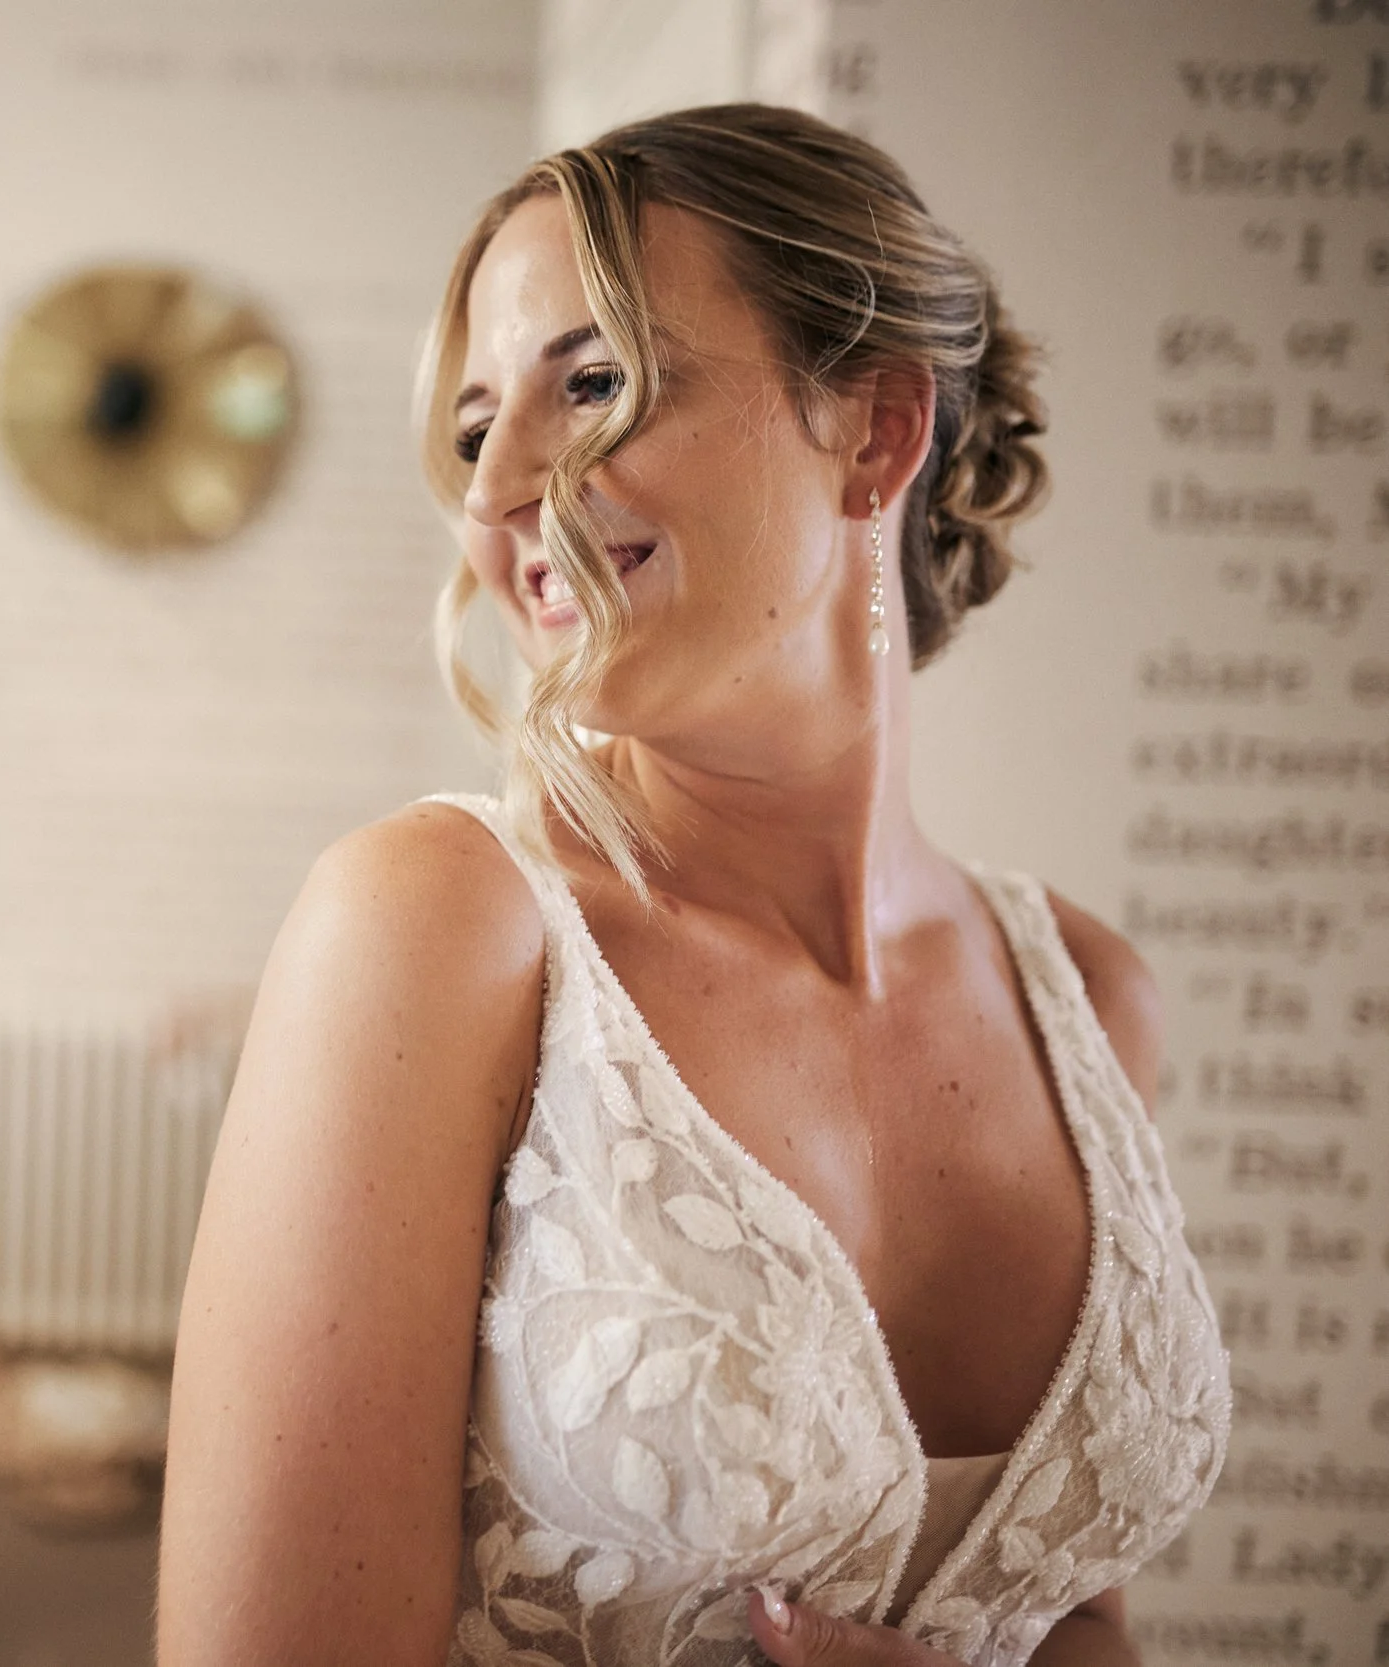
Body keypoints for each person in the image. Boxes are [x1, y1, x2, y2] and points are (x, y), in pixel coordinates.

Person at [159, 105, 1228, 1667]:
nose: (499, 488)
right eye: (474, 427)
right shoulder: (440, 925)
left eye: (592, 383)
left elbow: (1074, 1617)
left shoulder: (1091, 995)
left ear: (874, 432)